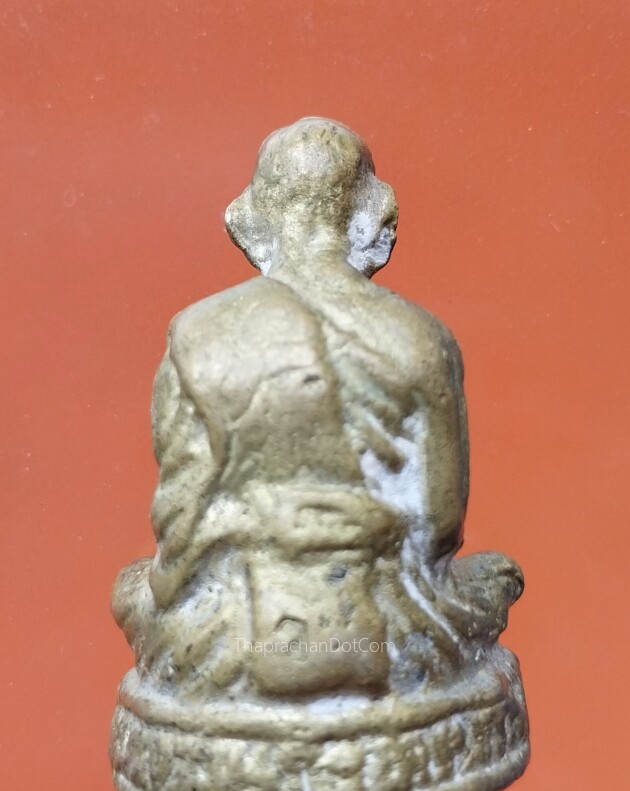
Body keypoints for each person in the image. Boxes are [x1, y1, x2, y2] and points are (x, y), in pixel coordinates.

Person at [113, 117, 522, 701]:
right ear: (376, 219)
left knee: (132, 591)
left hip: (233, 622)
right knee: (495, 578)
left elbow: (179, 518)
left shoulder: (198, 332)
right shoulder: (421, 337)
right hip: (386, 613)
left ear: (248, 220)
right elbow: (438, 526)